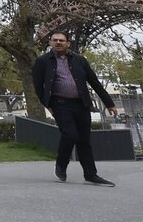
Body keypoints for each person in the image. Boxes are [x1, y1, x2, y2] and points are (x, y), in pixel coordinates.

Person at [31, 30, 118, 187]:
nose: (58, 42)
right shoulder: (42, 61)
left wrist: (109, 103)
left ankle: (91, 174)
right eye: (55, 40)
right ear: (50, 43)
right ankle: (61, 163)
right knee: (70, 135)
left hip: (81, 104)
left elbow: (94, 82)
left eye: (61, 40)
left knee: (84, 140)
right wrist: (48, 104)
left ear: (68, 43)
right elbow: (38, 87)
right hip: (60, 104)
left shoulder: (80, 60)